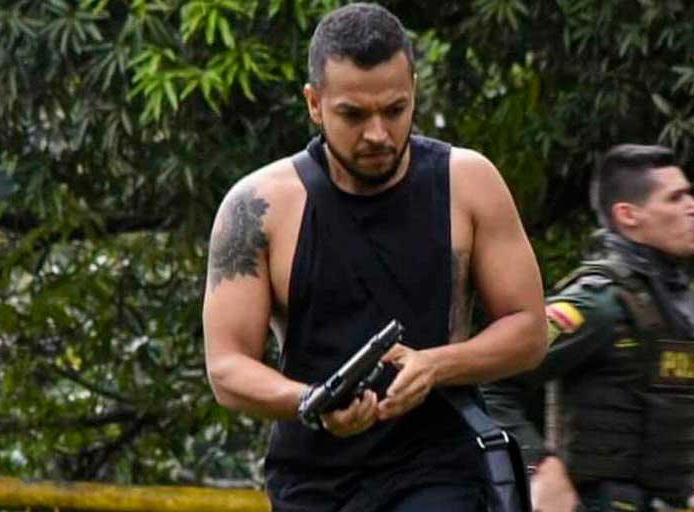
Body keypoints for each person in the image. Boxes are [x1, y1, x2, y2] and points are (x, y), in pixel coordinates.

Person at [201, 4, 546, 511]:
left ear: (414, 93)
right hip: (312, 482)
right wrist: (310, 400)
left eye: (395, 109)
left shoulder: (468, 183)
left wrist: (435, 365)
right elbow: (227, 366)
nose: (378, 134)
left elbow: (529, 330)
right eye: (354, 115)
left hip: (440, 468)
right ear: (314, 104)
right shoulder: (258, 206)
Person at [483, 145, 694, 512]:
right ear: (628, 215)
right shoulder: (598, 302)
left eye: (690, 195)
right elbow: (488, 382)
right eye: (675, 198)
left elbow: (660, 428)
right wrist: (539, 467)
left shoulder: (673, 298)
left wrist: (686, 493)